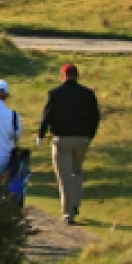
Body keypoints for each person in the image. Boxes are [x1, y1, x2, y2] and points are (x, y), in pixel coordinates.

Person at [37, 63, 100, 225]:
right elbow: (95, 117)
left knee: (64, 177)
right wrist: (90, 135)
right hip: (82, 139)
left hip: (62, 139)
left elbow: (47, 116)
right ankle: (76, 203)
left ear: (62, 76)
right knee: (77, 172)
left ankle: (68, 213)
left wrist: (41, 135)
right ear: (77, 75)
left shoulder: (55, 94)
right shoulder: (88, 94)